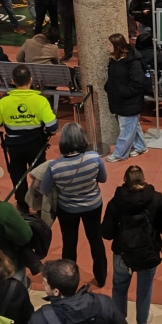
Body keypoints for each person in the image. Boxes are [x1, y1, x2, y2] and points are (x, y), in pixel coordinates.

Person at [102, 165, 162, 324]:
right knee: (144, 289)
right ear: (143, 179)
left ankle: (119, 321)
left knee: (119, 287)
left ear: (125, 180)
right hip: (148, 252)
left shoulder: (115, 202)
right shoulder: (155, 199)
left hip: (122, 253)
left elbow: (107, 233)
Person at [39, 123, 109, 288]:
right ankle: (101, 277)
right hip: (93, 205)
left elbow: (44, 189)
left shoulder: (55, 167)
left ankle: (68, 280)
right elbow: (103, 179)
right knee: (95, 240)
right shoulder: (94, 158)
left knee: (69, 243)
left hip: (67, 209)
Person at [0, 65, 58, 213]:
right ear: (31, 80)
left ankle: (22, 204)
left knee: (17, 175)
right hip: (36, 145)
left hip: (14, 146)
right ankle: (39, 204)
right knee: (39, 174)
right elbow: (52, 126)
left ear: (13, 81)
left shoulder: (4, 102)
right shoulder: (40, 100)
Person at [25, 259, 130, 324]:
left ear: (56, 291)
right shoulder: (104, 303)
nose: (43, 284)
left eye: (45, 282)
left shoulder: (40, 319)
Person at [104, 33, 149, 163]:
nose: (107, 47)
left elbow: (138, 83)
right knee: (132, 126)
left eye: (109, 45)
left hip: (129, 101)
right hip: (121, 100)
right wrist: (108, 87)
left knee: (126, 130)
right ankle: (140, 146)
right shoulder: (114, 59)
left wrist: (123, 92)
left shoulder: (133, 62)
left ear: (117, 46)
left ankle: (120, 154)